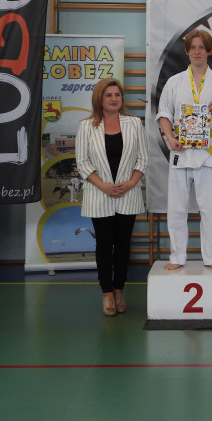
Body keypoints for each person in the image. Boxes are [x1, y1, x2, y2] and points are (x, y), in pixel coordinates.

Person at [156, 29, 212, 271]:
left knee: (210, 208)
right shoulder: (175, 82)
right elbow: (164, 114)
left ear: (209, 50)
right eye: (193, 47)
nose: (197, 52)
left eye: (201, 47)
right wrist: (170, 138)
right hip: (181, 149)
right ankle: (177, 257)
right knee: (177, 207)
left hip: (208, 151)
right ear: (187, 52)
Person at [76, 78, 147, 316]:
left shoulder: (134, 123)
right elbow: (82, 162)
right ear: (99, 98)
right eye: (109, 95)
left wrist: (132, 182)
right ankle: (106, 292)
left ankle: (119, 290)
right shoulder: (86, 126)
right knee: (104, 244)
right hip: (99, 193)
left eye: (117, 95)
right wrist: (104, 186)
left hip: (128, 192)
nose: (114, 99)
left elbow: (143, 158)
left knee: (124, 243)